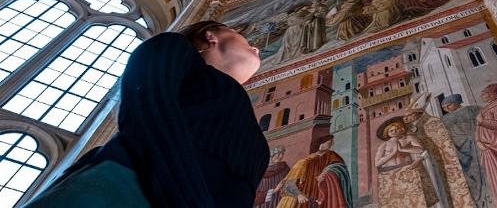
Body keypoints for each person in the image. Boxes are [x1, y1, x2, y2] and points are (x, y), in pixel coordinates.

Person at [24, 21, 270, 207]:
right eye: (245, 40)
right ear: (211, 35)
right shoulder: (174, 47)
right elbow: (149, 112)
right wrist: (187, 195)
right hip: (124, 187)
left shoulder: (241, 112)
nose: (256, 47)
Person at [403, 93, 476, 208]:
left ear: (418, 113)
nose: (405, 118)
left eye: (408, 115)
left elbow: (442, 145)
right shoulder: (415, 127)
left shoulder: (432, 122)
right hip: (431, 163)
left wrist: (422, 157)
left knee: (450, 191)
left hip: (443, 163)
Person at [440, 94, 494, 208]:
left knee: (489, 171)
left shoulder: (473, 109)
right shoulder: (444, 119)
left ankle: (494, 197)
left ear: (456, 102)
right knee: (472, 178)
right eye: (443, 107)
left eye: (448, 105)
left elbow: (487, 122)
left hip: (479, 144)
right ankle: (481, 202)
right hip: (461, 152)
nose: (445, 108)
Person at [375, 120, 438, 207]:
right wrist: (393, 153)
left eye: (396, 129)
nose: (394, 132)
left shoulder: (409, 138)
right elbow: (377, 163)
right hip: (389, 173)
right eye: (391, 131)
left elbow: (420, 149)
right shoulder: (384, 145)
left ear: (401, 129)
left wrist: (402, 149)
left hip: (407, 169)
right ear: (387, 133)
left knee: (415, 198)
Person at [276, 135, 352, 208]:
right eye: (329, 143)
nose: (332, 144)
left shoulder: (331, 156)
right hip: (297, 199)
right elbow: (288, 184)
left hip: (314, 198)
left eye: (331, 143)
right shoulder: (303, 162)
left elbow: (340, 166)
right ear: (321, 143)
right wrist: (299, 195)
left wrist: (326, 172)